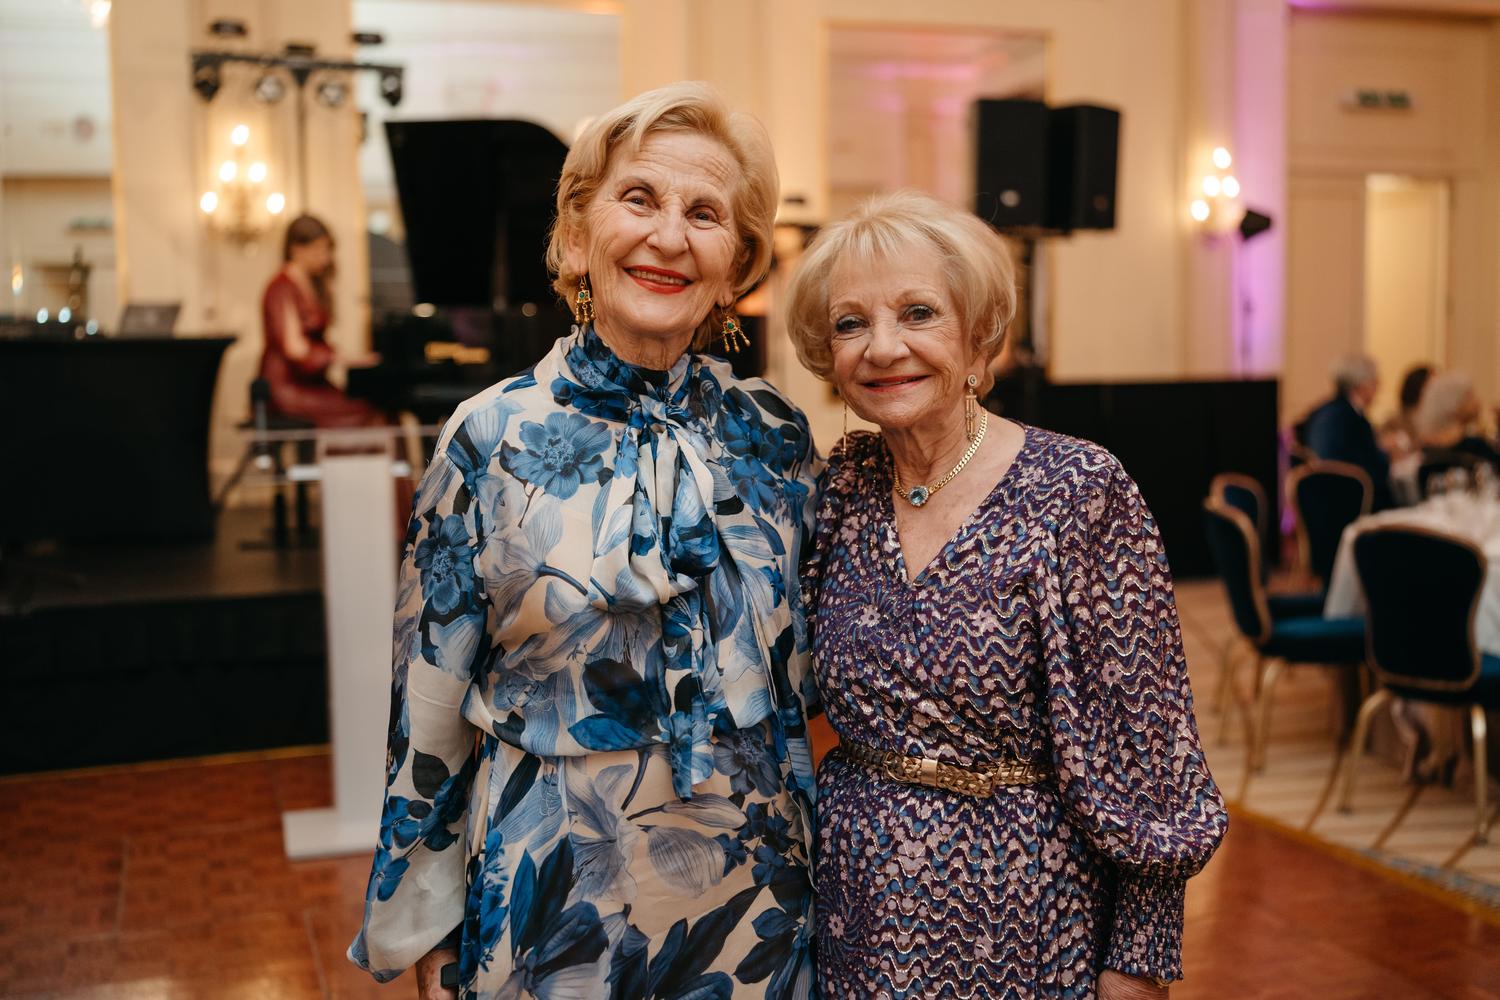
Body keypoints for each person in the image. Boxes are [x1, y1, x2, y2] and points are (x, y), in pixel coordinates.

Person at [349, 82, 820, 999]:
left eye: (704, 214)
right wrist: (429, 919)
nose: (669, 237)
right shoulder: (490, 436)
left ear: (736, 268)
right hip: (553, 889)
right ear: (576, 237)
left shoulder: (776, 435)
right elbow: (428, 702)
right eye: (639, 199)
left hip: (756, 896)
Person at [784, 190, 1227, 999]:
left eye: (918, 313)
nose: (882, 347)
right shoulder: (843, 488)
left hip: (1026, 922)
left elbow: (1151, 747)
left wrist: (1140, 960)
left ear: (979, 336)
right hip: (856, 918)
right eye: (850, 324)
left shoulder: (1078, 490)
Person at [258, 214, 383, 427]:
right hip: (287, 387)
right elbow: (295, 348)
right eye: (318, 250)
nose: (325, 258)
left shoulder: (311, 284)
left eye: (327, 250)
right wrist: (342, 358)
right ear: (296, 249)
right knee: (366, 412)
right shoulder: (280, 287)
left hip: (312, 383)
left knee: (376, 406)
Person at [1298, 354, 1394, 509]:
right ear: (1361, 384)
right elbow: (1373, 469)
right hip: (1351, 501)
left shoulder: (1324, 411)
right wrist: (1387, 453)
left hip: (1323, 500)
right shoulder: (1350, 417)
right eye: (1374, 381)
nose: (1379, 387)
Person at [1414, 370, 1500, 476]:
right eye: (1470, 396)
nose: (1477, 401)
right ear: (1452, 402)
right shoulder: (1474, 447)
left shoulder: (1426, 449)